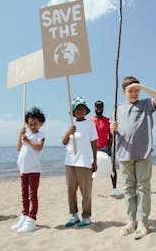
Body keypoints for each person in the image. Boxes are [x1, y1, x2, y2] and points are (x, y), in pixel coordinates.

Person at [110, 76, 156, 239]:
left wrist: (142, 86)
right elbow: (114, 132)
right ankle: (131, 221)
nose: (133, 93)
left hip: (143, 153)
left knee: (143, 188)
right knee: (128, 189)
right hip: (124, 154)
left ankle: (142, 221)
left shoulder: (146, 104)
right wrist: (112, 128)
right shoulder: (117, 109)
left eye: (136, 90)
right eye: (130, 90)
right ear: (123, 92)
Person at [62, 97, 98, 228]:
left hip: (85, 162)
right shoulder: (69, 124)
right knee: (71, 190)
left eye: (82, 108)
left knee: (86, 191)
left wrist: (95, 160)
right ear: (73, 112)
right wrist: (69, 132)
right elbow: (64, 142)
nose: (80, 111)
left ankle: (87, 217)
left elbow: (94, 142)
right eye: (77, 109)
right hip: (70, 161)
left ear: (86, 111)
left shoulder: (90, 124)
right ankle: (74, 216)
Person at [11, 107, 46, 233]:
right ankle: (24, 216)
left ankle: (31, 219)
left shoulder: (40, 134)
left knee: (32, 195)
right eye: (30, 124)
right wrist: (20, 135)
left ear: (40, 124)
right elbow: (18, 148)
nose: (32, 126)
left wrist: (28, 140)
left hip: (34, 169)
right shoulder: (26, 134)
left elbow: (38, 147)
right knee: (24, 194)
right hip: (23, 169)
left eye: (35, 124)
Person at [89, 100, 123, 198]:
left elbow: (111, 135)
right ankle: (88, 190)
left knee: (112, 168)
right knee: (91, 169)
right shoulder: (90, 120)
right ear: (95, 108)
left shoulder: (108, 120)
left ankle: (115, 189)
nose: (99, 109)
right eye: (97, 107)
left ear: (103, 108)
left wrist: (109, 147)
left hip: (105, 148)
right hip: (93, 149)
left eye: (100, 107)